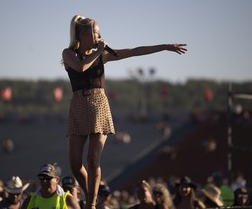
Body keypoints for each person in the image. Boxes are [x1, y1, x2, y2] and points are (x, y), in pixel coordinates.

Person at [62, 14, 187, 209]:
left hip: (98, 103)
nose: (99, 36)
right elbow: (80, 67)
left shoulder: (102, 55)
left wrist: (165, 46)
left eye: (98, 33)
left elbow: (134, 51)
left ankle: (91, 204)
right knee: (75, 163)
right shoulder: (69, 54)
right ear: (83, 34)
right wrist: (99, 51)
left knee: (93, 159)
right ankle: (89, 193)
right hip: (78, 103)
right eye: (95, 32)